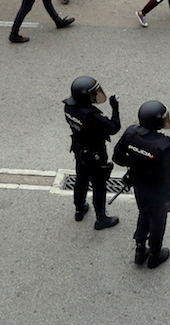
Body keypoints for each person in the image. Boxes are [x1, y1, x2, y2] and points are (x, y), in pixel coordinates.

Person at [113, 100, 170, 269]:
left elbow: (117, 157)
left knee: (143, 213)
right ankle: (155, 254)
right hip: (158, 191)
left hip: (139, 185)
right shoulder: (162, 145)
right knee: (158, 221)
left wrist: (134, 167)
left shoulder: (131, 133)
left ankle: (139, 250)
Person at [63, 76, 121, 230]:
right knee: (99, 184)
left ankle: (79, 209)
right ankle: (101, 218)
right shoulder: (92, 115)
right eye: (91, 94)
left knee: (81, 179)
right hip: (95, 154)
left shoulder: (68, 107)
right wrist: (115, 108)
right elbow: (114, 127)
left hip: (79, 149)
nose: (94, 96)